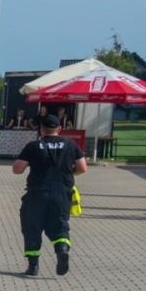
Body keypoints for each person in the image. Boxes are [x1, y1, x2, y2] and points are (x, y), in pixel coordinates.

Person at [13, 113, 87, 277]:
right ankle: (62, 250)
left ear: (41, 129)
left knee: (32, 228)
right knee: (60, 226)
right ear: (59, 129)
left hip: (36, 194)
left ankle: (33, 267)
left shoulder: (33, 146)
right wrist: (69, 173)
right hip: (61, 193)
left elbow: (17, 169)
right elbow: (82, 168)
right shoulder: (70, 144)